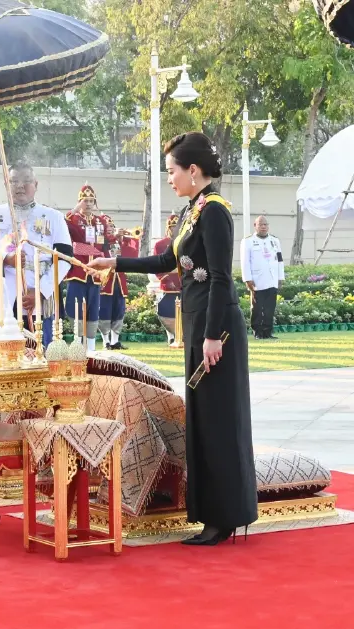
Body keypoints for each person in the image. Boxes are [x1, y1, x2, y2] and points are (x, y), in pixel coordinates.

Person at [88, 131, 257, 546]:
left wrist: (214, 336)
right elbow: (167, 260)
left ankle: (225, 517)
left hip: (215, 329)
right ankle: (211, 515)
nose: (169, 178)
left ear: (193, 170)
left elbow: (219, 277)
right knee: (203, 417)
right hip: (199, 324)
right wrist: (117, 263)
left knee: (219, 419)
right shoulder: (193, 209)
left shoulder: (214, 211)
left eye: (172, 171)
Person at [0, 162, 72, 346]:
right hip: (1, 299)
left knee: (40, 354)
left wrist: (42, 290)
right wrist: (5, 260)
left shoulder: (53, 217)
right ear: (6, 184)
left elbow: (65, 259)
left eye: (26, 181)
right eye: (14, 181)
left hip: (38, 299)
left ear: (36, 184)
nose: (20, 186)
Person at [65, 185, 114, 351]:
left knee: (93, 311)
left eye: (91, 201)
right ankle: (78, 347)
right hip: (78, 273)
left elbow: (105, 245)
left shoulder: (99, 221)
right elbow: (73, 244)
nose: (88, 204)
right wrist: (89, 250)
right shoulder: (72, 219)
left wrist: (107, 265)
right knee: (76, 308)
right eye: (84, 200)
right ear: (79, 201)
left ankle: (91, 349)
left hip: (95, 274)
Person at [241, 215, 284, 340]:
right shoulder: (248, 241)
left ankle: (268, 332)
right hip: (257, 280)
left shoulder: (275, 241)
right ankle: (258, 332)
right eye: (261, 224)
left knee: (270, 308)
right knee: (257, 308)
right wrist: (247, 279)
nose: (264, 227)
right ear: (255, 226)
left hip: (272, 279)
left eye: (266, 224)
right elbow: (245, 262)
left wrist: (280, 277)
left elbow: (280, 260)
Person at [99, 224, 140, 350]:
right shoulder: (100, 240)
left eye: (112, 227)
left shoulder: (118, 242)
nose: (111, 230)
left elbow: (133, 255)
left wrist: (126, 239)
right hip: (105, 282)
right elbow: (101, 248)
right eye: (108, 228)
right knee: (104, 313)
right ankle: (106, 341)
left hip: (119, 282)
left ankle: (115, 341)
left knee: (119, 312)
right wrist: (113, 237)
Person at [154, 214, 183, 345]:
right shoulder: (160, 245)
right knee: (167, 310)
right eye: (172, 227)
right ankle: (171, 336)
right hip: (168, 282)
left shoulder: (184, 242)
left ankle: (182, 335)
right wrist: (165, 279)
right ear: (168, 228)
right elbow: (157, 264)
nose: (174, 230)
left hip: (183, 282)